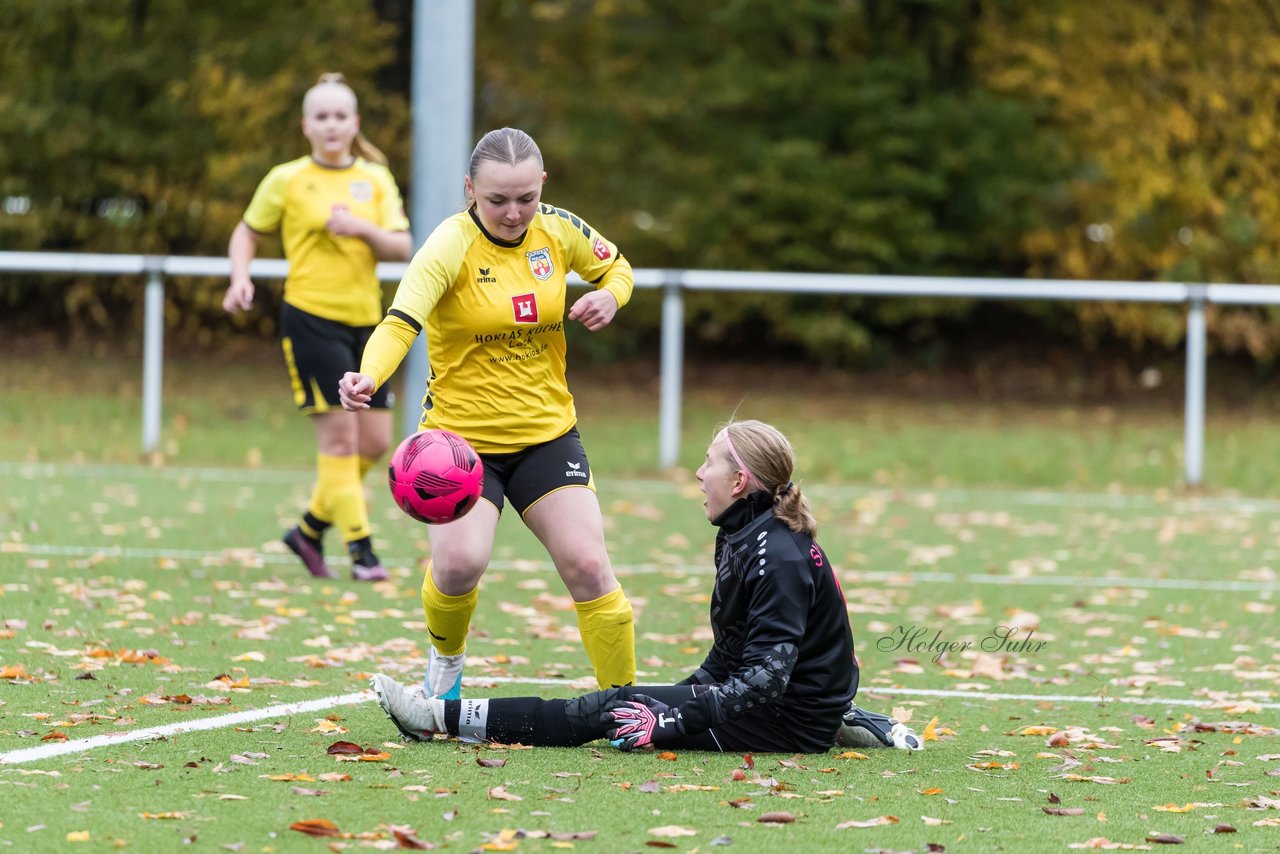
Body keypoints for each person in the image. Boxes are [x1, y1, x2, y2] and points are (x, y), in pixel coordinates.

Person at [368, 419, 922, 754]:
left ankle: (435, 716)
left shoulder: (773, 552)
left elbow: (768, 677)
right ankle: (841, 718)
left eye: (709, 464)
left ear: (740, 480)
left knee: (607, 712)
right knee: (633, 702)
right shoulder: (743, 530)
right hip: (790, 703)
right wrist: (679, 696)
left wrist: (675, 717)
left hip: (785, 718)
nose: (699, 474)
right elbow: (733, 652)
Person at [338, 127, 636, 696]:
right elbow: (402, 321)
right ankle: (445, 669)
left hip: (548, 436)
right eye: (497, 200)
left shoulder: (559, 228)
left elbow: (617, 267)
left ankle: (624, 705)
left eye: (526, 197)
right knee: (458, 567)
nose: (513, 212)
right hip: (460, 445)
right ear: (470, 188)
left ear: (542, 184)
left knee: (589, 567)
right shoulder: (449, 244)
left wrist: (610, 296)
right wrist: (370, 375)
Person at [222, 73, 412, 583]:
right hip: (310, 319)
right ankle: (362, 552)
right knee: (340, 443)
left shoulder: (375, 178)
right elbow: (246, 232)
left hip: (369, 327)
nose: (331, 125)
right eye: (321, 117)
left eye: (340, 116)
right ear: (306, 125)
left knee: (374, 443)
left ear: (354, 123)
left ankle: (308, 531)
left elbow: (403, 245)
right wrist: (240, 276)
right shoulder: (286, 178)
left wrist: (362, 229)